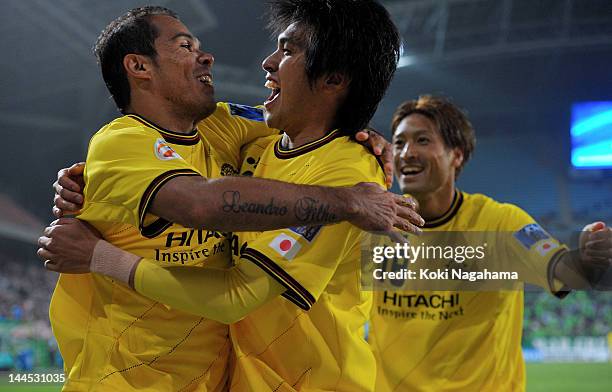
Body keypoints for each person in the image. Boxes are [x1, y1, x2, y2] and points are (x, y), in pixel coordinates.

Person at [39, 2, 421, 391]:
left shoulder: (237, 132)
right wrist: (345, 201)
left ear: (334, 78)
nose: (207, 56)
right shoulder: (125, 142)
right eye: (186, 47)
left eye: (287, 51)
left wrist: (360, 132)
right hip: (122, 381)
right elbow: (200, 202)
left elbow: (305, 119)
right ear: (139, 67)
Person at [367, 95, 612, 391]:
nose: (407, 152)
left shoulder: (500, 223)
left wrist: (587, 255)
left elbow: (565, 271)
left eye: (422, 140)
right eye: (400, 142)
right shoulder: (375, 226)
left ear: (456, 155)